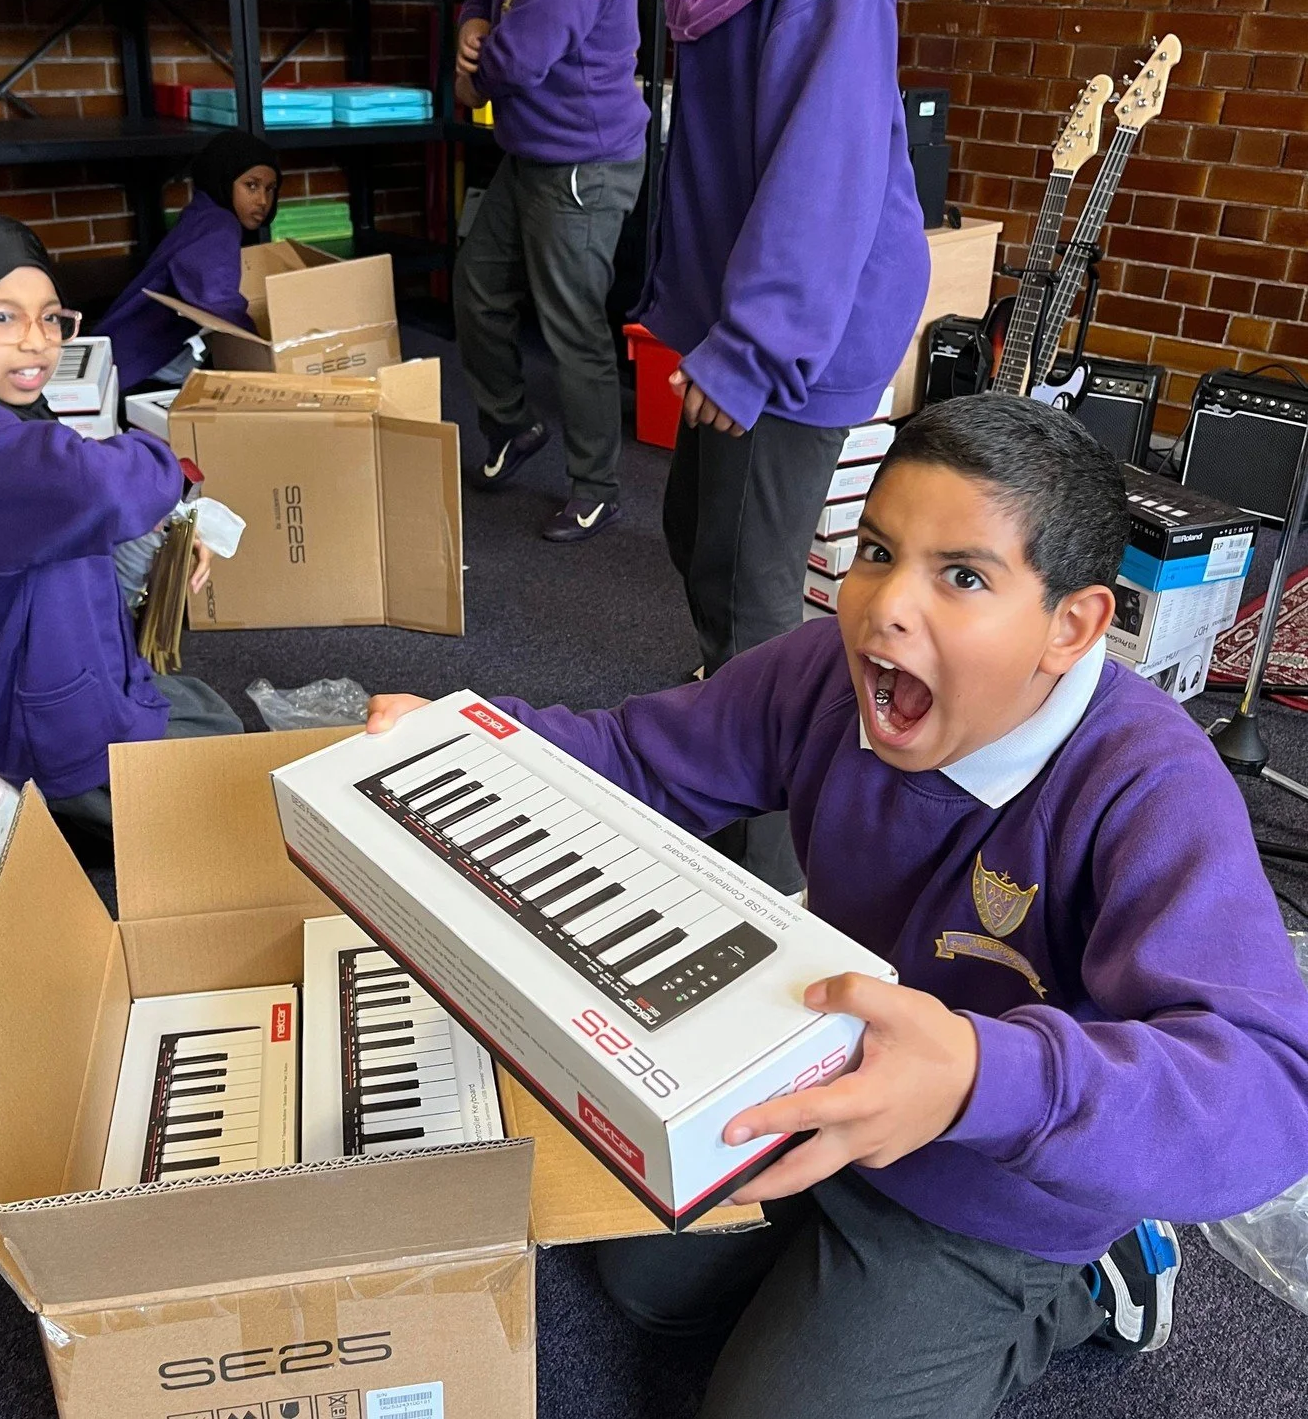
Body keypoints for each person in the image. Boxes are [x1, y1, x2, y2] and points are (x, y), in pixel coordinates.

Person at [365, 394, 1308, 1419]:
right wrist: (470, 741)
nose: (883, 606)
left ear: (1067, 626)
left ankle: (1093, 1278)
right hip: (818, 1065)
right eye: (874, 549)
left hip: (995, 1183)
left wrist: (981, 1081)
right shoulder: (824, 672)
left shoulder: (1146, 780)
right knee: (640, 1283)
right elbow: (637, 758)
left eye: (960, 576)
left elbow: (1266, 1094)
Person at [642, 0, 930, 890]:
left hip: (800, 313)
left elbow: (824, 162)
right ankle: (732, 758)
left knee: (756, 596)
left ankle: (763, 889)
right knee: (695, 535)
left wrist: (751, 346)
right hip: (737, 301)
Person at [0, 214, 242, 931]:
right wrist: (164, 466)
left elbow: (72, 497)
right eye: (1, 316)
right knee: (223, 810)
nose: (36, 341)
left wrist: (170, 523)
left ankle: (19, 775)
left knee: (215, 717)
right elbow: (97, 487)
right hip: (43, 698)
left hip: (60, 660)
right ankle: (13, 800)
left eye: (52, 318)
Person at [455, 0, 649, 543]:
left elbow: (520, 58)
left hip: (583, 165)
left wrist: (474, 64)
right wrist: (470, 25)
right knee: (476, 291)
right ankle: (511, 425)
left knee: (574, 333)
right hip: (529, 152)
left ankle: (596, 483)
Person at [95, 129, 281, 391]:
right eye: (251, 185)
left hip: (122, 353)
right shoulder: (220, 225)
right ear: (224, 179)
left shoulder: (202, 212)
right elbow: (216, 298)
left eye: (270, 189)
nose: (262, 200)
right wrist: (265, 347)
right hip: (139, 366)